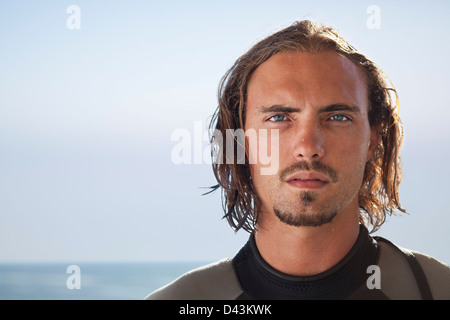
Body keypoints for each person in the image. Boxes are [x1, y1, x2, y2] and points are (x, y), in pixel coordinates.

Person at [147, 20, 450, 300]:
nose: (308, 147)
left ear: (372, 139)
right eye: (279, 117)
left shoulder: (437, 290)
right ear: (240, 140)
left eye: (338, 117)